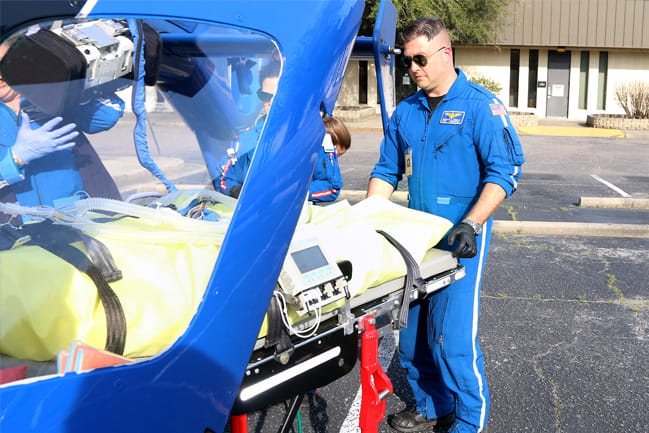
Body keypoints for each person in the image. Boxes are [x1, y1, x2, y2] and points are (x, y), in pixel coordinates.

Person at [367, 18, 525, 433]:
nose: (414, 68)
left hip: (462, 239)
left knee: (452, 341)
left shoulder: (479, 106)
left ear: (445, 54)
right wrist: (366, 220)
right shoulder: (407, 111)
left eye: (420, 59)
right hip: (417, 239)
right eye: (408, 61)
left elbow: (504, 172)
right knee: (414, 336)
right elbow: (386, 171)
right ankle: (431, 404)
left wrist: (472, 223)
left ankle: (469, 421)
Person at [0, 71, 125, 223]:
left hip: (80, 215)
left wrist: (81, 86)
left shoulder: (47, 94)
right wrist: (15, 159)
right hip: (15, 226)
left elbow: (105, 117)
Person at [219, 113, 350, 202]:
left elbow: (330, 186)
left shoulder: (314, 143)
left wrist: (291, 193)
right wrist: (235, 190)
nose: (270, 102)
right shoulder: (247, 139)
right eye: (265, 96)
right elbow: (224, 178)